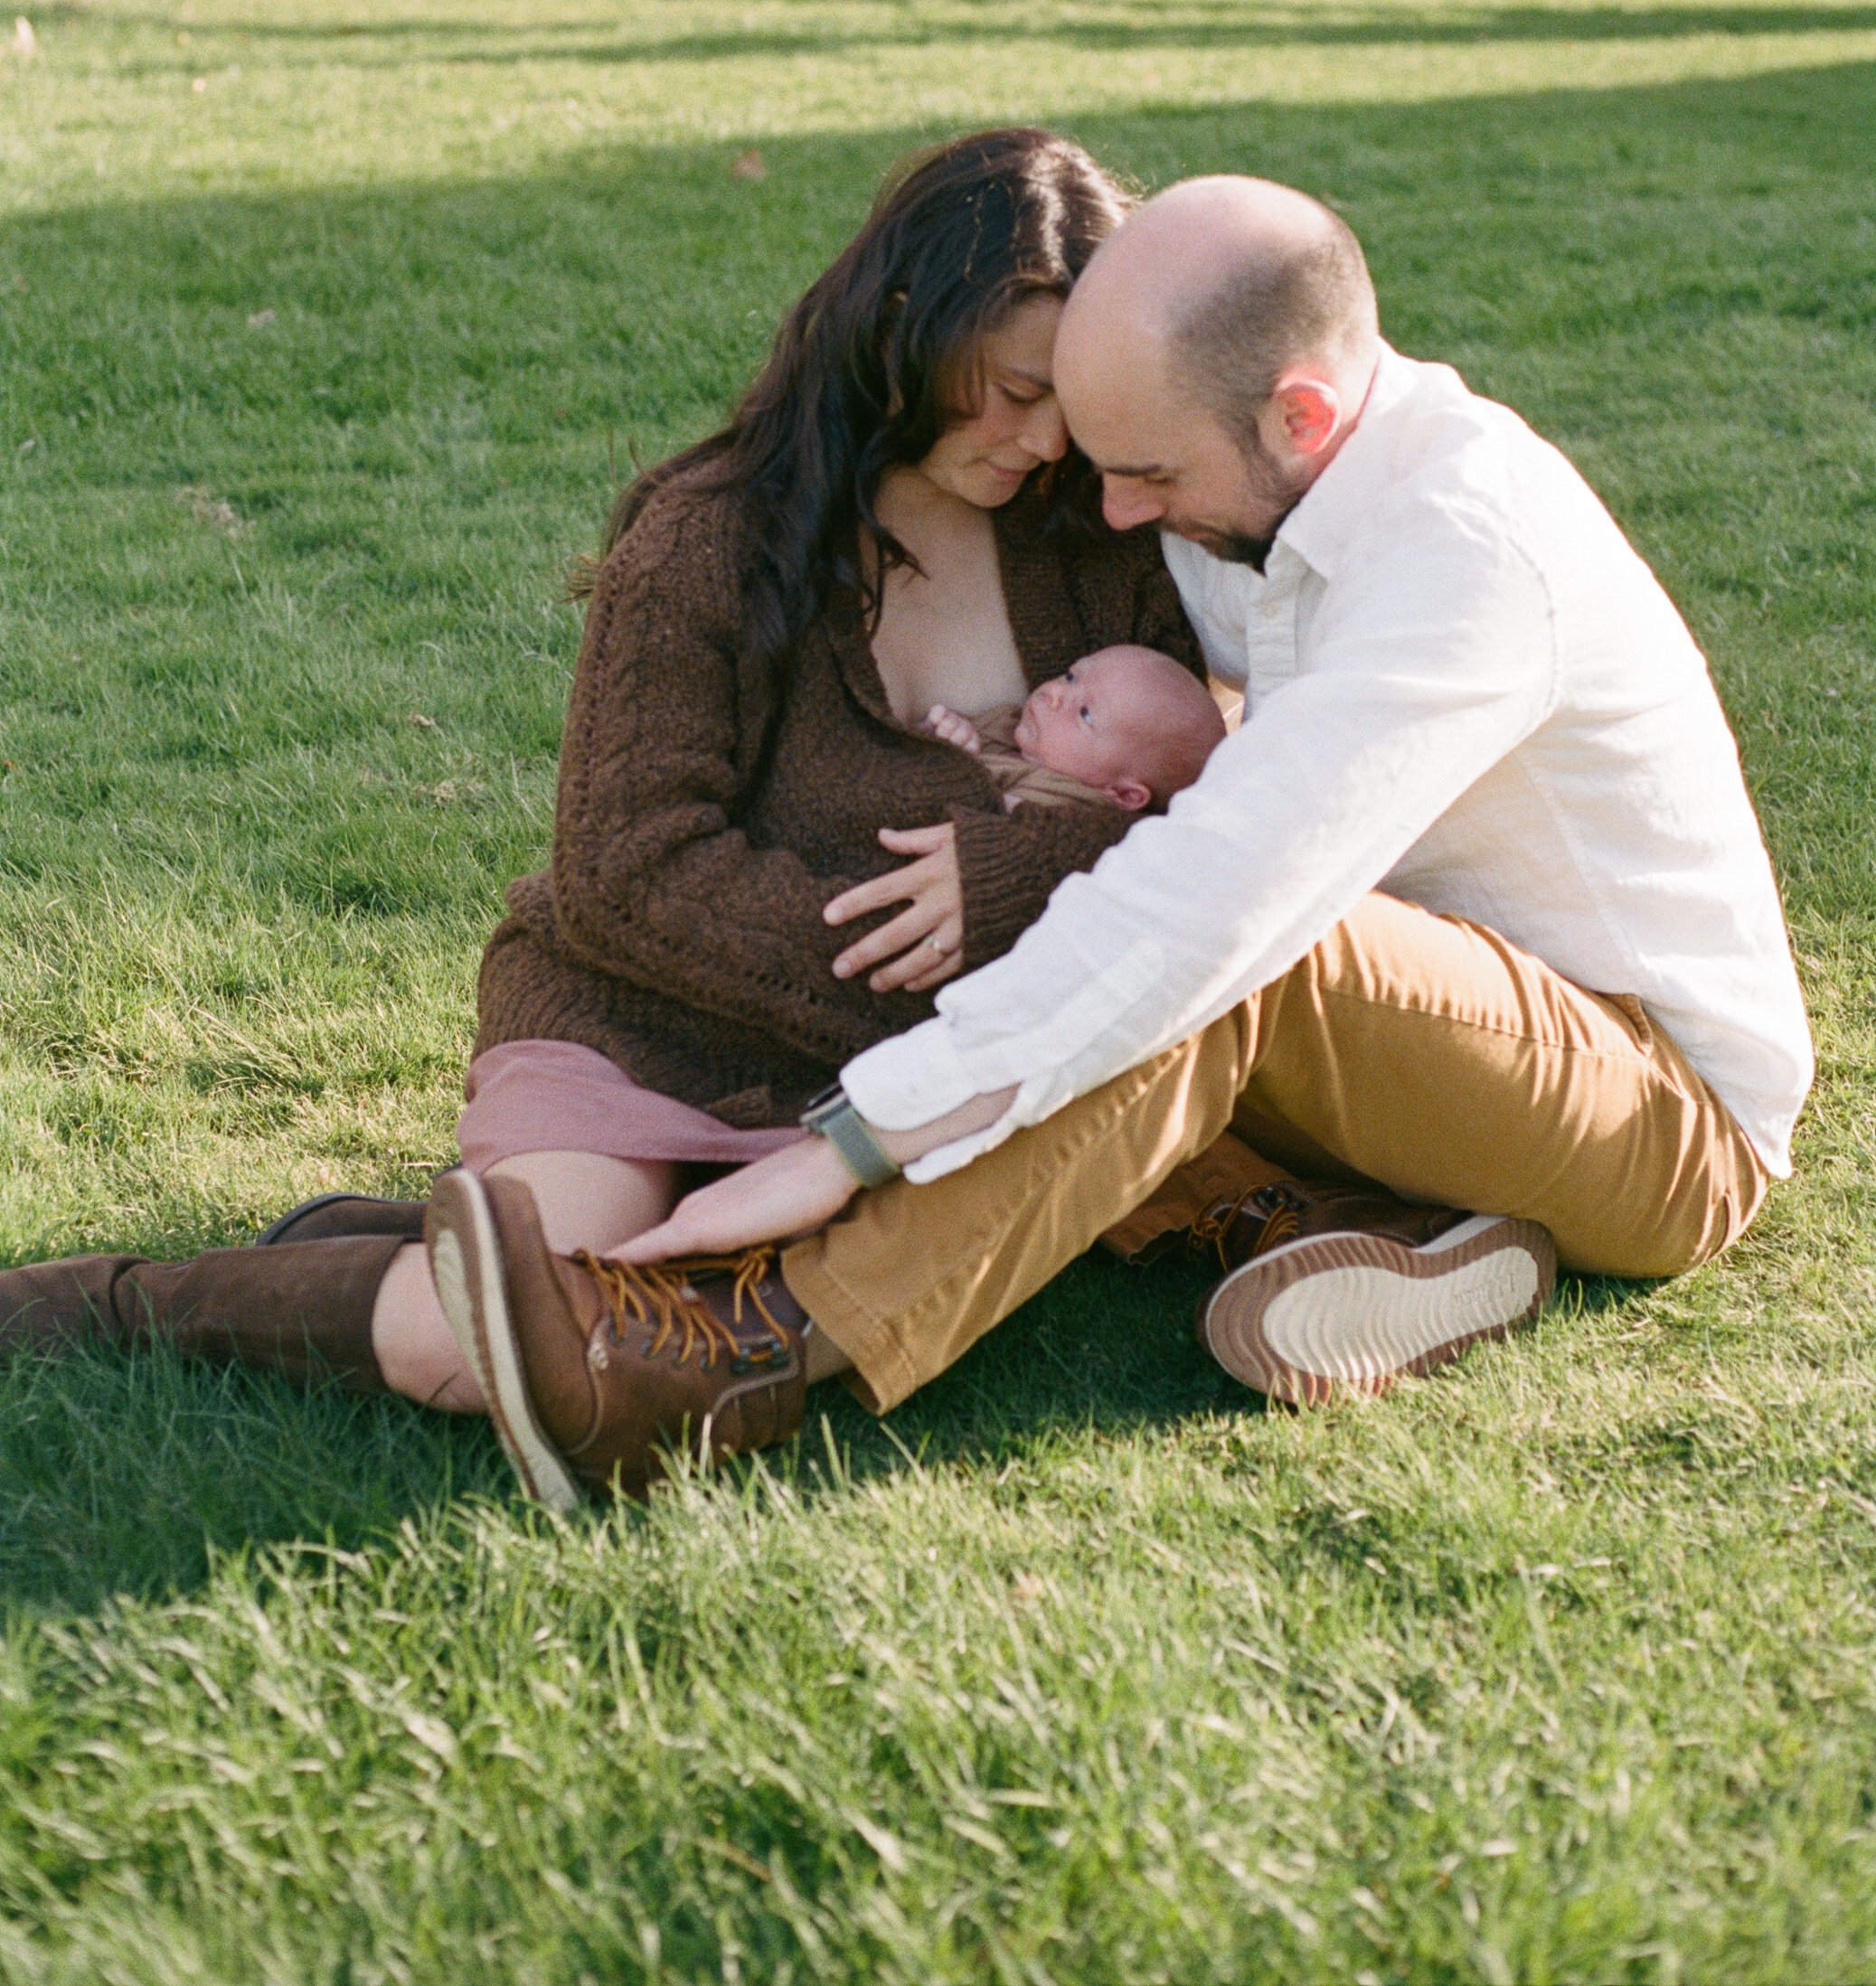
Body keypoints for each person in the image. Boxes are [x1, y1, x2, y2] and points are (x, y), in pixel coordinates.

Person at [418, 170, 1813, 1498]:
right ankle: (1382, 1235)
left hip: (1650, 1103)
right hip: (1415, 1055)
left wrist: (850, 1144)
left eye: (1142, 471)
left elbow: (1215, 898)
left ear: (1300, 413)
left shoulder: (1464, 557)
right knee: (1152, 970)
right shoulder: (1261, 483)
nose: (1116, 513)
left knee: (1229, 957)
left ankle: (750, 1347)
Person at [0, 128, 1206, 1421]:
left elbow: (1213, 804)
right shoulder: (709, 537)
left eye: (1068, 400)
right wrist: (909, 1009)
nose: (1043, 437)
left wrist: (1018, 870)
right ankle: (123, 1297)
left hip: (910, 1079)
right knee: (496, 1346)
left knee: (688, 1327)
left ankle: (421, 1230)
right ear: (906, 330)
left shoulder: (1100, 535)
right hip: (645, 1027)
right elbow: (625, 873)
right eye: (1014, 389)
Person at [921, 644, 1228, 813]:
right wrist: (945, 733)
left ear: (1123, 794)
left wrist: (953, 766)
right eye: (1070, 677)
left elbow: (969, 817)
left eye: (1085, 714)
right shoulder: (1011, 724)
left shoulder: (1067, 807)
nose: (1053, 693)